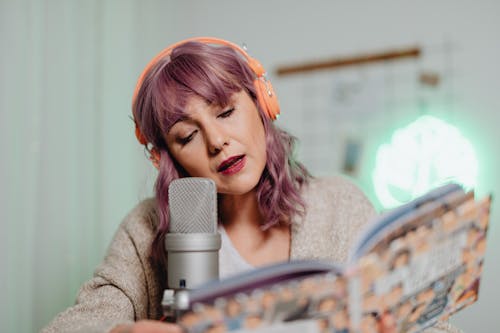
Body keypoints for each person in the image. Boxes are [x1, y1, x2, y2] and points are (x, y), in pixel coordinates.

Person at [42, 37, 462, 333]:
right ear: (166, 157)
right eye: (187, 136)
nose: (216, 141)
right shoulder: (146, 228)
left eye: (225, 112)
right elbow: (73, 326)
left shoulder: (340, 203)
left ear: (263, 103)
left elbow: (435, 323)